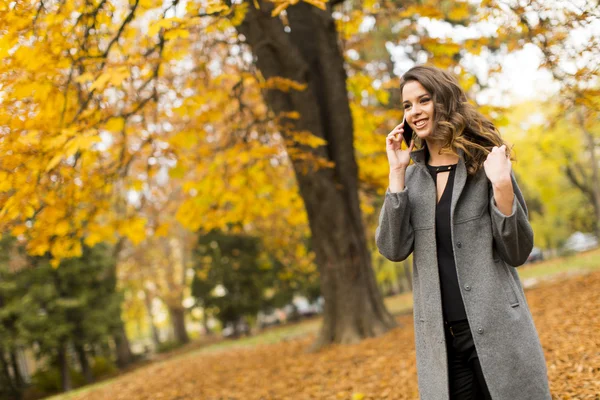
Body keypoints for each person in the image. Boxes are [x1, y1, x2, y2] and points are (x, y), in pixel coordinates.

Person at [375, 65, 551, 400]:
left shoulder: (485, 164)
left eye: (423, 100)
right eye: (407, 105)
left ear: (443, 100)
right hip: (440, 344)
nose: (414, 112)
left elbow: (517, 251)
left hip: (497, 328)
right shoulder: (411, 180)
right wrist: (397, 173)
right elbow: (393, 249)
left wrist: (502, 187)